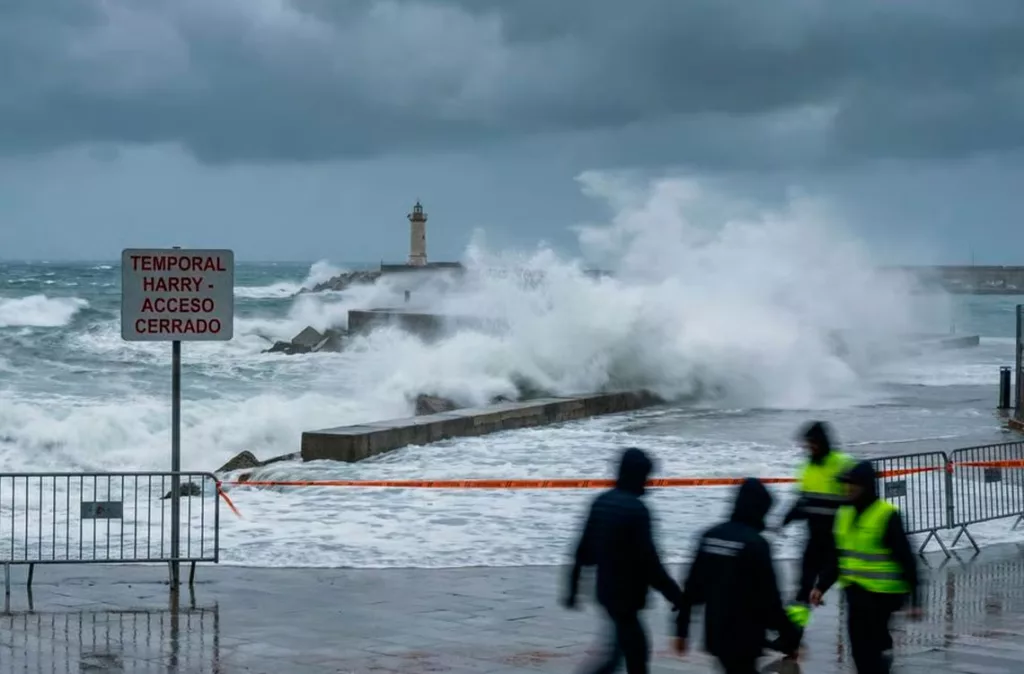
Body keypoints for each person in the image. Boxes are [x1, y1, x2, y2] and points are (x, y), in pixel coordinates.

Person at [563, 447, 684, 674]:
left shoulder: (601, 502)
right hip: (626, 595)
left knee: (622, 651)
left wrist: (573, 587)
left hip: (606, 592)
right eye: (646, 477)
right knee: (633, 654)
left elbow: (582, 550)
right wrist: (674, 594)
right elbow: (650, 562)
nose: (648, 483)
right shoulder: (636, 510)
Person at [675, 477, 801, 674]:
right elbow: (770, 600)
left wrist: (681, 631)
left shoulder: (710, 536)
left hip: (715, 632)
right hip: (745, 637)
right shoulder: (756, 544)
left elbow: (691, 590)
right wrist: (790, 637)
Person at [810, 460, 922, 674]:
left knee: (870, 646)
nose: (848, 488)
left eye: (853, 484)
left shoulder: (886, 515)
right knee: (860, 648)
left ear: (866, 486)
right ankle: (882, 656)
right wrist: (821, 586)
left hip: (884, 594)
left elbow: (907, 559)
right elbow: (837, 556)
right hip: (855, 591)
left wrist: (916, 600)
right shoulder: (843, 514)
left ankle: (882, 658)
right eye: (846, 484)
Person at [780, 421, 855, 631]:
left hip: (839, 540)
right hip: (814, 538)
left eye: (812, 443)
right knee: (803, 588)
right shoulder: (807, 468)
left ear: (822, 442)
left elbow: (859, 497)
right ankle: (792, 637)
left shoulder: (842, 464)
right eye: (807, 444)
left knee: (850, 590)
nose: (808, 448)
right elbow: (802, 502)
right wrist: (785, 519)